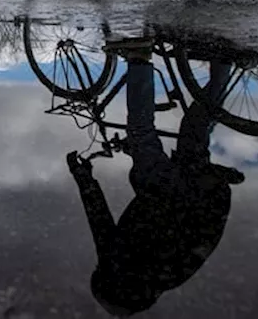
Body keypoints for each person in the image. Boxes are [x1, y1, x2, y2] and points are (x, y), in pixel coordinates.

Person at [67, 36, 244, 314]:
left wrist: (216, 182)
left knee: (195, 129)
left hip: (202, 192)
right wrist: (84, 177)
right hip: (167, 192)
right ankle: (139, 59)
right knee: (140, 133)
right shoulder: (119, 268)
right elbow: (98, 218)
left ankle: (224, 65)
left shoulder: (171, 276)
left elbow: (211, 229)